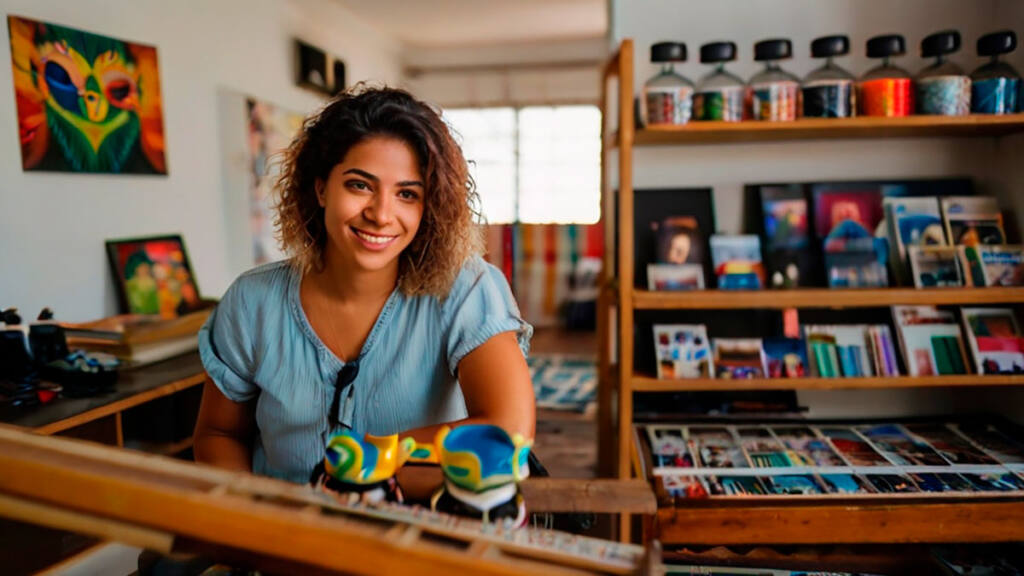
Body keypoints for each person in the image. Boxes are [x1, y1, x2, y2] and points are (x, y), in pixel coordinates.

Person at [193, 86, 535, 492]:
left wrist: (374, 459)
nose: (381, 214)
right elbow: (218, 435)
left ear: (430, 207)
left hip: (420, 535)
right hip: (283, 538)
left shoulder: (467, 289)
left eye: (407, 194)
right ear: (321, 188)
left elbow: (507, 430)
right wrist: (255, 522)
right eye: (360, 185)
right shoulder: (252, 302)